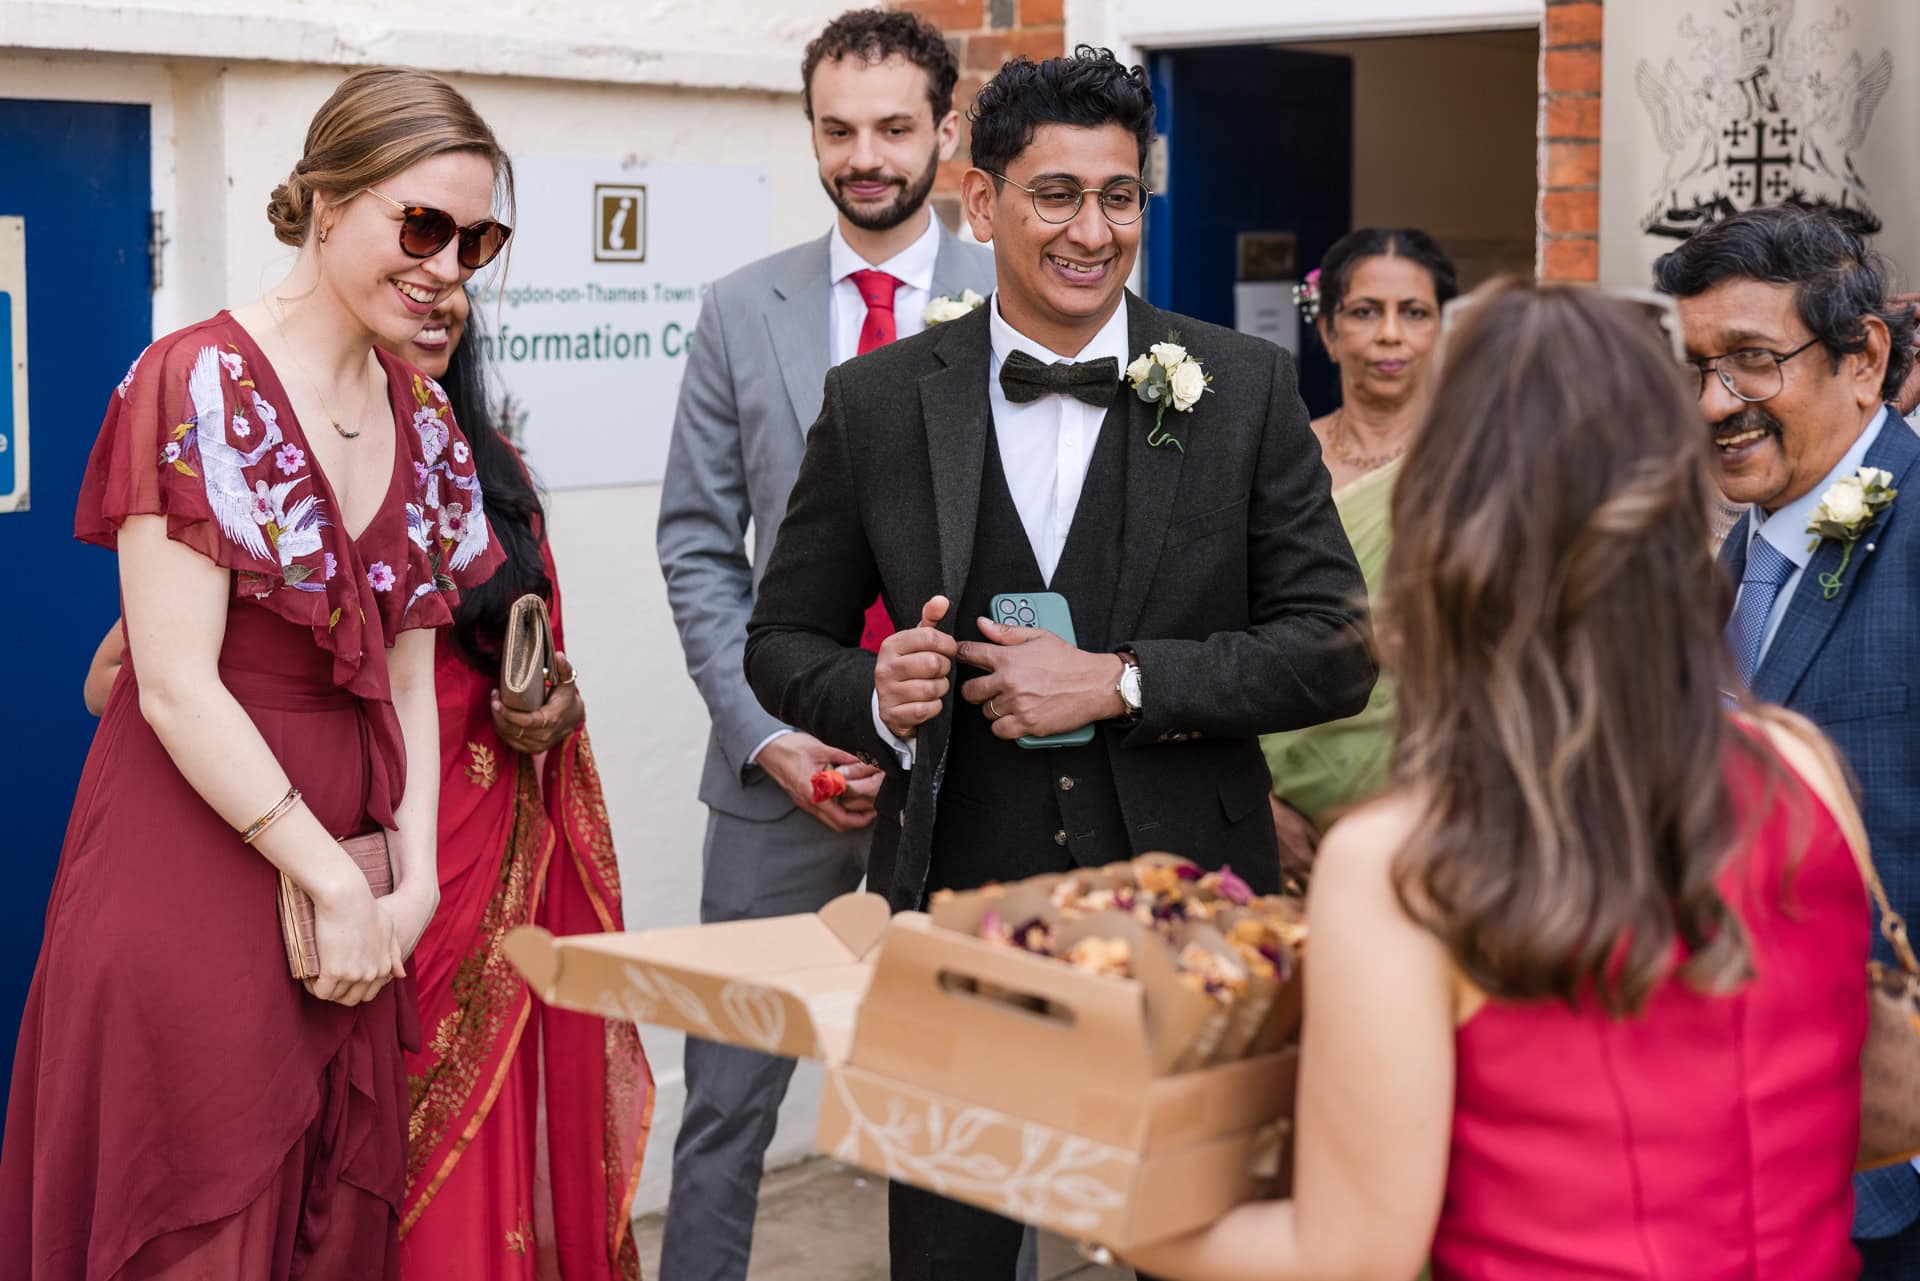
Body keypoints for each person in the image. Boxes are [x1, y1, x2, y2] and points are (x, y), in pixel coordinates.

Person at [743, 46, 1374, 1278]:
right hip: (957, 921)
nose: (1093, 230)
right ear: (980, 205)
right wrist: (870, 692)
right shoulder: (877, 403)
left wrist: (1125, 681)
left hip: (1195, 917)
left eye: (1120, 196)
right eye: (1056, 196)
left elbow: (1333, 650)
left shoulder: (1242, 387)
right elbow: (783, 640)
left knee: (1197, 1253)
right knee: (951, 1258)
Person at [1127, 280, 1869, 1281]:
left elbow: (1349, 1256)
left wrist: (1094, 1188)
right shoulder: (1803, 768)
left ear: (1439, 523)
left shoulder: (1403, 862)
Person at [0, 66, 510, 1278]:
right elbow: (171, 683)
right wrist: (327, 878)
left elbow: (408, 656)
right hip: (196, 853)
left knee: (327, 1225)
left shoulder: (426, 417)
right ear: (330, 203)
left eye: (475, 239)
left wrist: (418, 874)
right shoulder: (193, 380)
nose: (446, 265)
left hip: (356, 861)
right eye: (422, 224)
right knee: (197, 1218)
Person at [653, 10, 994, 1280]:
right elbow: (697, 543)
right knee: (728, 1101)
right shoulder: (740, 311)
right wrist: (769, 734)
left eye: (895, 127)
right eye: (838, 128)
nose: (866, 154)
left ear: (945, 132)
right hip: (777, 775)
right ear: (810, 131)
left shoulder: (1014, 306)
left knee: (967, 1107)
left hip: (967, 777)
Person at [1655, 203, 1920, 1277]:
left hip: (1891, 1164)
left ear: (1863, 357)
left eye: (1753, 361)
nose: (1718, 402)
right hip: (1743, 1161)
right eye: (1699, 366)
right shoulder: (1721, 570)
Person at [385, 288, 654, 1281]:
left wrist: (553, 707)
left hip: (496, 837)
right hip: (360, 850)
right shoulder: (295, 472)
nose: (436, 304)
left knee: (491, 1143)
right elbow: (133, 676)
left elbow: (543, 657)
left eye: (457, 293)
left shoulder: (498, 474)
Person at [1260, 228, 1456, 876]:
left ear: (1441, 330)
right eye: (1365, 311)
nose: (1390, 335)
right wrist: (1253, 803)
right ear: (1328, 331)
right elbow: (1218, 631)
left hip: (1421, 823)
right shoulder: (1275, 461)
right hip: (1265, 813)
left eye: (1415, 313)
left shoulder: (1470, 477)